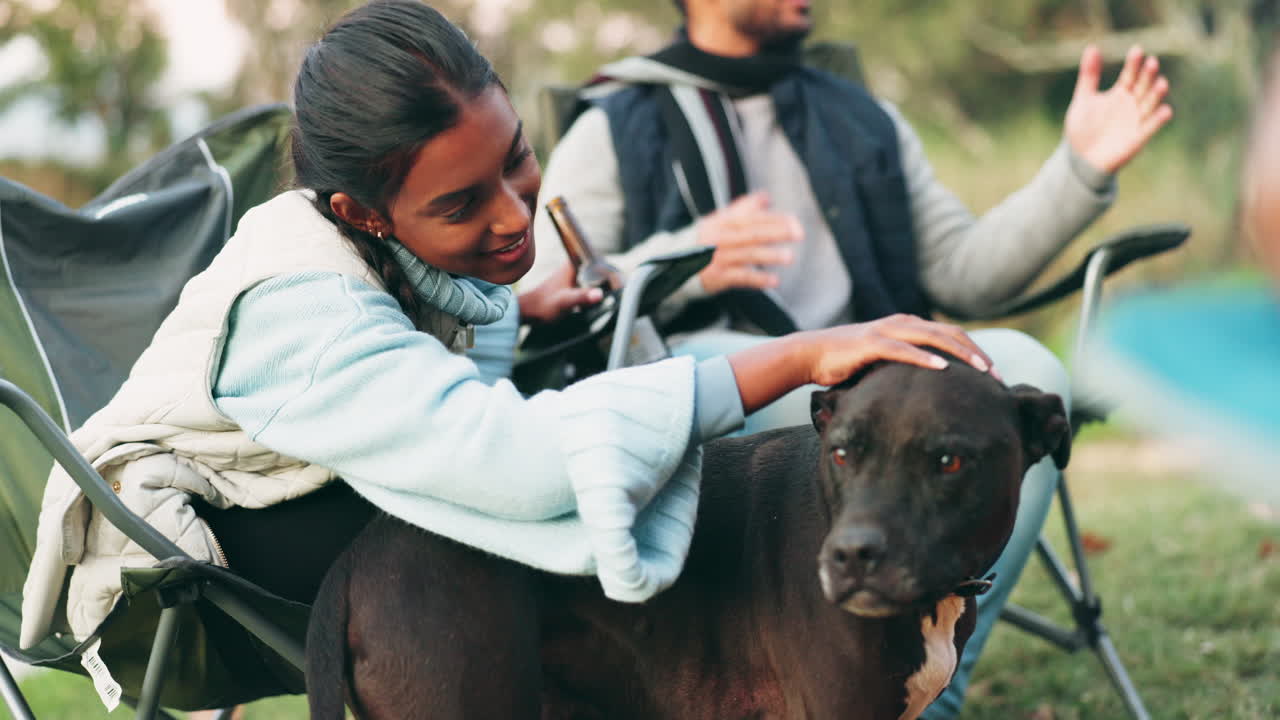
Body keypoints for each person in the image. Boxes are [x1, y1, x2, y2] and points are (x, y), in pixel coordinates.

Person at [17, 0, 996, 702]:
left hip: (309, 515)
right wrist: (792, 358)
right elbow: (513, 462)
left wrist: (521, 310)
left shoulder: (410, 266)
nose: (513, 215)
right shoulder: (297, 313)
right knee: (517, 512)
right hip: (178, 578)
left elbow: (415, 370)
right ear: (364, 213)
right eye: (460, 204)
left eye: (515, 159)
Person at [526, 0, 1172, 715]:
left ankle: (930, 687)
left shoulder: (862, 116)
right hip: (724, 374)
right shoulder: (614, 123)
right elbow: (550, 291)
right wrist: (688, 261)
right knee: (796, 392)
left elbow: (966, 273)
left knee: (1029, 367)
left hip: (888, 373)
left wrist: (1079, 169)